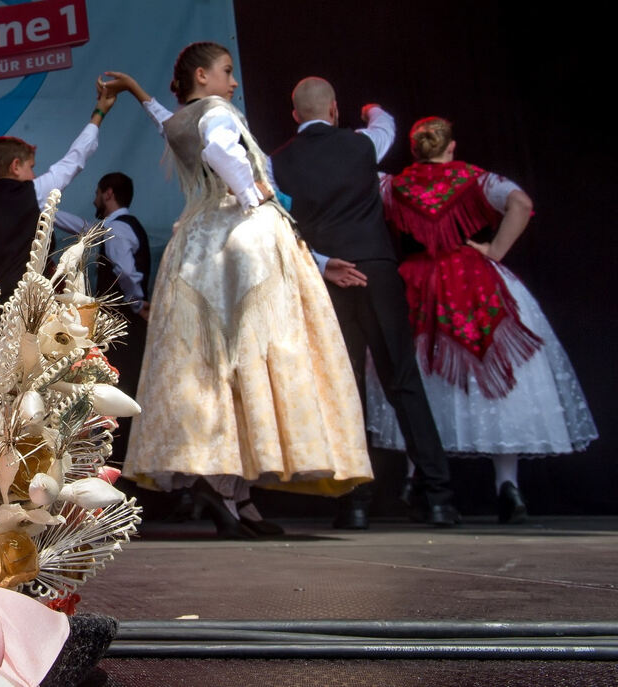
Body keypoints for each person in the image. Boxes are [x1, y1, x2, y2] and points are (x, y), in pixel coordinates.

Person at [115, 43, 373, 537]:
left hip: (195, 246)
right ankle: (230, 493)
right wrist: (254, 195)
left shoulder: (180, 121)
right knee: (255, 360)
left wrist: (136, 92)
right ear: (202, 76)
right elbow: (219, 148)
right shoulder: (217, 112)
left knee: (216, 372)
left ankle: (233, 494)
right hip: (239, 240)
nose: (233, 83)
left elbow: (165, 121)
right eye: (226, 72)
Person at [366, 117, 597, 522]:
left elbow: (361, 192)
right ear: (450, 147)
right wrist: (494, 250)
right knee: (499, 381)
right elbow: (521, 203)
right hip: (473, 278)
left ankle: (414, 477)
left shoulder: (393, 185)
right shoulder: (474, 179)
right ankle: (507, 485)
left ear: (415, 147)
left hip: (416, 283)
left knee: (416, 379)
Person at [272, 77, 458, 529]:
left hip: (324, 279)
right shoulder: (363, 144)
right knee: (404, 381)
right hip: (374, 268)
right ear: (334, 109)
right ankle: (438, 498)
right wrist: (371, 107)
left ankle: (354, 504)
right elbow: (386, 123)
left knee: (343, 389)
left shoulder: (278, 161)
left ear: (295, 116)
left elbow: (280, 223)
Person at [0, 78, 116, 302]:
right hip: (39, 308)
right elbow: (75, 158)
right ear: (16, 166)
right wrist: (99, 112)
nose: (34, 175)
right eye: (31, 167)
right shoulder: (34, 191)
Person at [56, 172, 150, 465]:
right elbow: (85, 228)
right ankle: (116, 454)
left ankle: (117, 457)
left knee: (120, 386)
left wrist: (138, 304)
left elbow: (125, 272)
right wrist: (46, 209)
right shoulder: (115, 227)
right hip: (125, 320)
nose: (95, 199)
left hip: (124, 321)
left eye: (98, 193)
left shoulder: (118, 230)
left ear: (108, 193)